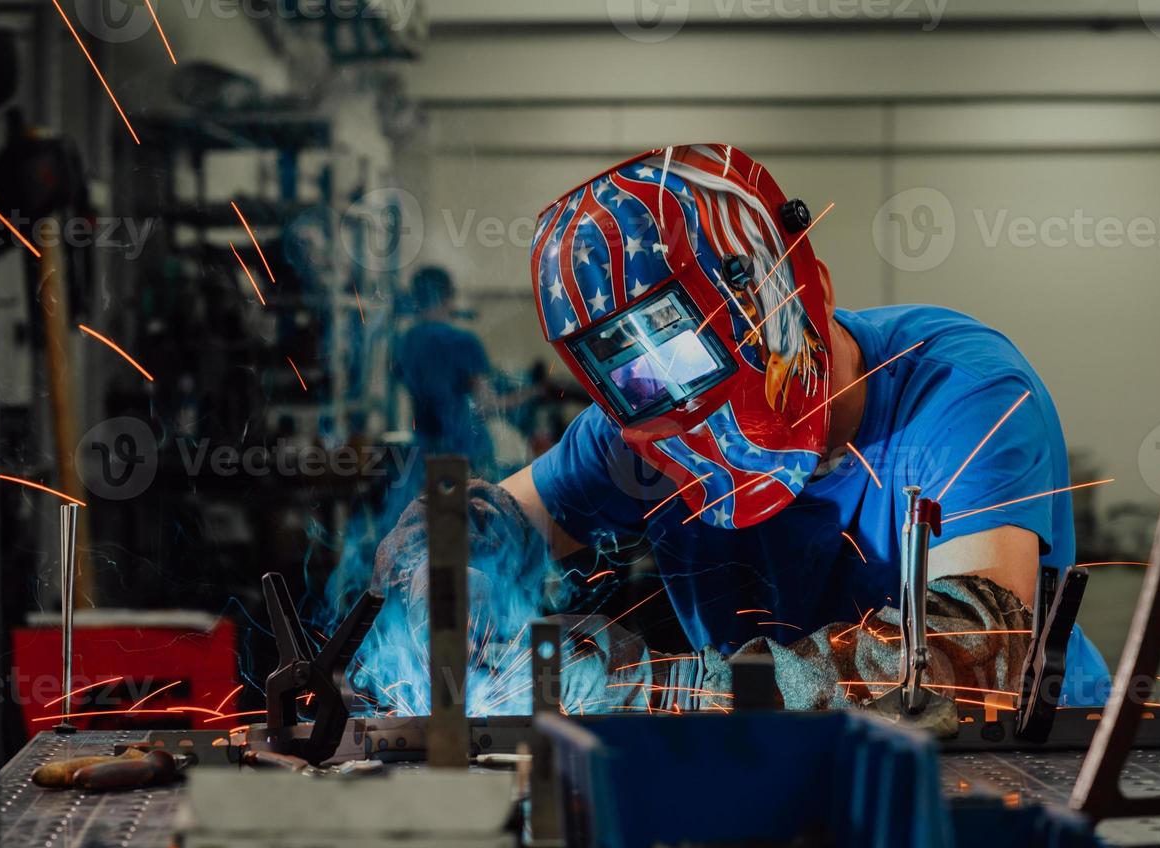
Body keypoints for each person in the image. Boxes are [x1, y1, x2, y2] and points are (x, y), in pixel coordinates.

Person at [363, 143, 1111, 714]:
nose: (678, 389)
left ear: (799, 290)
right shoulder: (645, 421)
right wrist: (442, 559)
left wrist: (666, 691)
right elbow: (500, 524)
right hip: (769, 765)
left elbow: (966, 663)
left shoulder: (960, 392)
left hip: (1015, 762)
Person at [393, 266, 497, 474]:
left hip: (422, 457)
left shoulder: (404, 342)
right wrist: (534, 393)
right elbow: (486, 406)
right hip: (464, 456)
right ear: (447, 296)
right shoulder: (463, 341)